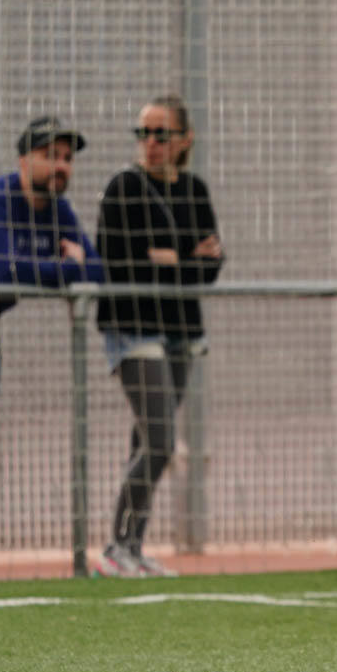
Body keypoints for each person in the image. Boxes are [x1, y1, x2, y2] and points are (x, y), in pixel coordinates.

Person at [0, 116, 103, 581]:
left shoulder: (58, 211)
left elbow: (98, 270)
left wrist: (72, 267)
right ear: (23, 160)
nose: (61, 166)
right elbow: (5, 271)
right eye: (50, 155)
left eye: (68, 158)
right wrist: (67, 268)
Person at [93, 94, 224, 578]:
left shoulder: (194, 190)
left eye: (160, 134)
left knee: (145, 440)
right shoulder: (124, 187)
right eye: (143, 133)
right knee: (163, 440)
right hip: (133, 329)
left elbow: (210, 268)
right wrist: (182, 259)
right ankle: (114, 546)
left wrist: (173, 259)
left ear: (184, 140)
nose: (149, 143)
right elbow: (119, 257)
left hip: (181, 331)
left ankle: (132, 545)